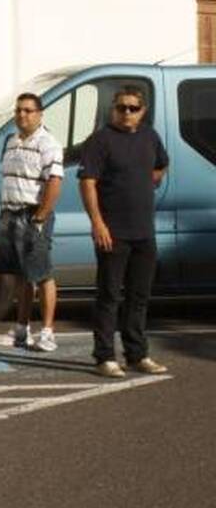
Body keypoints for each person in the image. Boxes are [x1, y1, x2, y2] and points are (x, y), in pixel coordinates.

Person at [79, 86, 170, 378]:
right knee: (108, 297)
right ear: (113, 109)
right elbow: (88, 182)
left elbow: (161, 165)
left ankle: (137, 354)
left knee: (138, 297)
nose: (127, 113)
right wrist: (98, 223)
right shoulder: (100, 140)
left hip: (144, 231)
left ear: (142, 111)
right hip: (113, 232)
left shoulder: (150, 136)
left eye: (133, 108)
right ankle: (104, 356)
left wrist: (148, 182)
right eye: (121, 107)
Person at [0, 93, 64, 352]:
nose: (22, 115)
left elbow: (54, 181)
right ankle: (21, 329)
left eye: (28, 110)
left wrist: (41, 215)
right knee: (21, 275)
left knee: (41, 273)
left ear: (40, 114)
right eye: (18, 110)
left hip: (32, 213)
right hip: (9, 212)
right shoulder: (11, 141)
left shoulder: (48, 143)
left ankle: (48, 331)